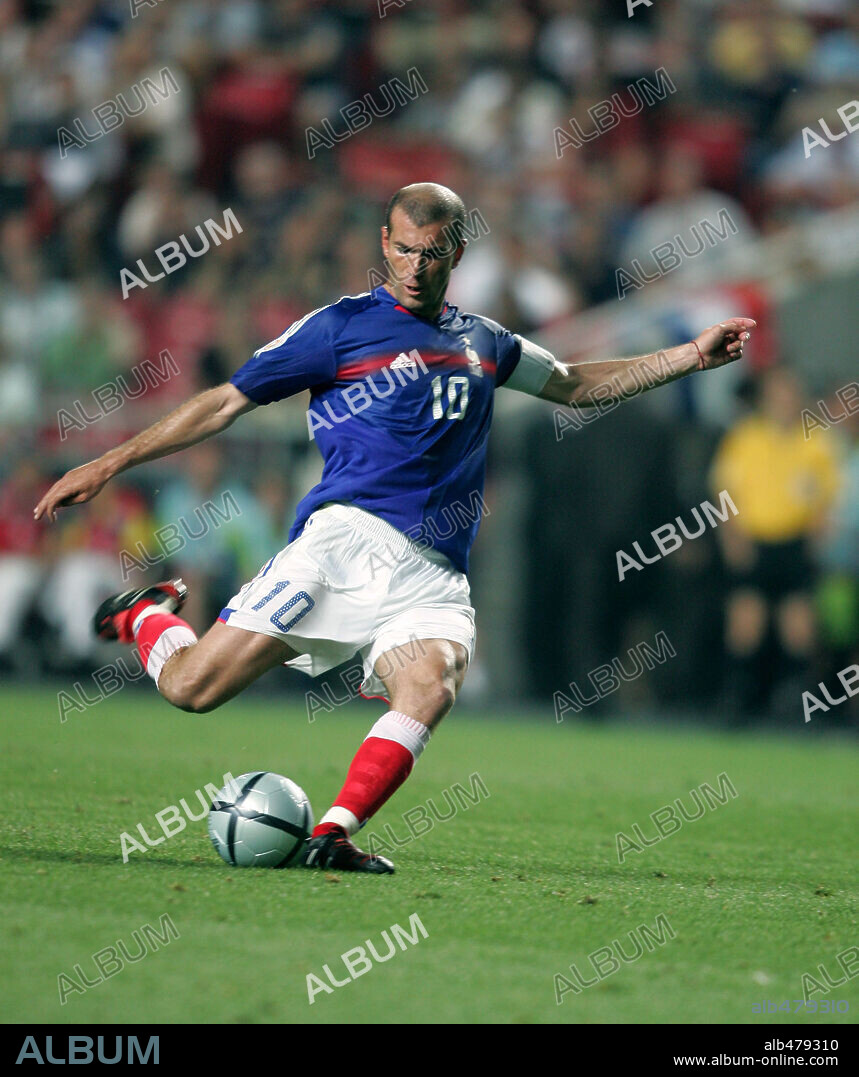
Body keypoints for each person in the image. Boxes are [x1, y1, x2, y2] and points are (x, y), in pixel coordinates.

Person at [34, 182, 754, 874]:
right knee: (191, 687)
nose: (414, 267)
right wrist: (112, 459)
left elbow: (572, 382)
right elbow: (225, 402)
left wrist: (688, 355)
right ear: (384, 244)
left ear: (457, 253)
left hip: (432, 572)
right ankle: (147, 617)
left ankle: (332, 832)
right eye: (403, 249)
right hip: (341, 545)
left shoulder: (486, 343)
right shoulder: (337, 327)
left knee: (430, 685)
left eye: (431, 253)